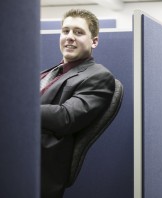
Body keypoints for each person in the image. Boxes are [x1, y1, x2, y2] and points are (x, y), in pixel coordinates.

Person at [40, 9, 115, 198]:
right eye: (65, 31)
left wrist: (17, 110)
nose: (70, 37)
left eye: (78, 32)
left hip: (40, 161)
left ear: (94, 41)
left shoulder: (99, 76)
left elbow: (66, 118)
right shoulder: (48, 72)